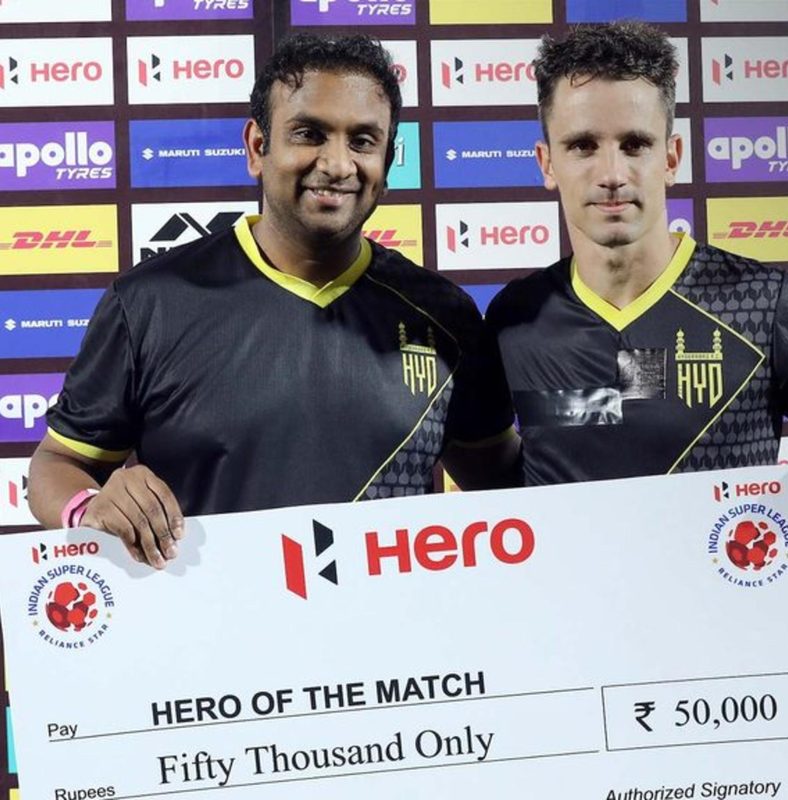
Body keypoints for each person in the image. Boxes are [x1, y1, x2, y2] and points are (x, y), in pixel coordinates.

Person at [28, 33, 518, 567]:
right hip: (208, 616)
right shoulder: (150, 302)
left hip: (393, 620)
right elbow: (56, 464)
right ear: (257, 147)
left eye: (362, 141)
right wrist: (91, 505)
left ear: (388, 160)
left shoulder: (445, 315)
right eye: (309, 134)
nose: (337, 164)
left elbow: (507, 485)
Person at [486, 21, 788, 486]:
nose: (612, 174)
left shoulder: (765, 304)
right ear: (547, 163)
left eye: (635, 145)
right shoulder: (515, 318)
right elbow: (486, 465)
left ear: (671, 158)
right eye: (583, 146)